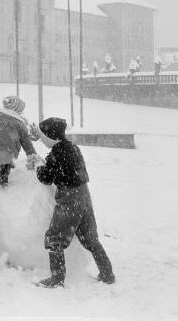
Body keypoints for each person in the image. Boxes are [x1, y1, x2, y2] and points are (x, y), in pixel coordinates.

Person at [35, 117, 115, 288]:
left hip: (69, 198)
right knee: (90, 238)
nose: (41, 139)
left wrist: (38, 166)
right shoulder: (73, 148)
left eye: (43, 136)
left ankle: (56, 279)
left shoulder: (56, 154)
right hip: (84, 194)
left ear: (51, 137)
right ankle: (107, 273)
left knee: (54, 238)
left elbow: (46, 178)